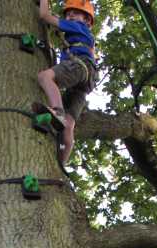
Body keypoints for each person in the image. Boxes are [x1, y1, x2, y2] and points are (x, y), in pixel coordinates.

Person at [36, 0, 97, 164]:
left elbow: (44, 15)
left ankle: (58, 111)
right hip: (86, 80)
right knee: (69, 126)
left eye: (75, 13)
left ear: (87, 20)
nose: (69, 16)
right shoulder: (87, 35)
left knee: (44, 77)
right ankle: (61, 164)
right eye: (68, 13)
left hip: (79, 66)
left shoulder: (77, 27)